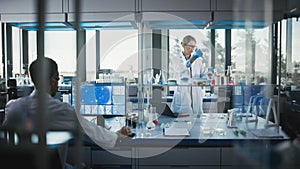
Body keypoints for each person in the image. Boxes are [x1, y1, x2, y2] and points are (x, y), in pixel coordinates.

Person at [2, 57, 131, 146]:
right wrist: (117, 135)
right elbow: (92, 133)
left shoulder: (12, 107)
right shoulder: (62, 110)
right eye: (57, 79)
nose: (57, 83)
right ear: (52, 79)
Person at [171, 35, 207, 115]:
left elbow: (204, 75)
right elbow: (181, 68)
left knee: (197, 122)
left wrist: (202, 81)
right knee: (182, 122)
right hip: (183, 93)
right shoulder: (176, 59)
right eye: (190, 46)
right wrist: (193, 58)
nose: (192, 49)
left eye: (194, 47)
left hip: (196, 93)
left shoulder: (198, 61)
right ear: (183, 45)